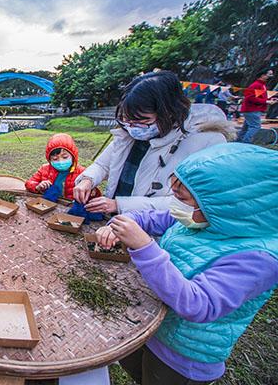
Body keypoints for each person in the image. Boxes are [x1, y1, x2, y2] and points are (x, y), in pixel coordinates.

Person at [95, 142, 278, 384]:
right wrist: (124, 222)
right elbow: (148, 217)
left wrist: (144, 247)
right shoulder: (197, 218)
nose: (176, 205)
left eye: (183, 199)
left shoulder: (260, 258)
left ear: (228, 206)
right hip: (149, 329)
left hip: (182, 355)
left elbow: (197, 304)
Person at [73, 70, 230, 215]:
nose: (132, 127)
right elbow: (102, 165)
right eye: (127, 120)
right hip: (117, 223)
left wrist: (119, 205)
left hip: (153, 235)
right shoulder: (128, 132)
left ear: (170, 113)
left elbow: (189, 203)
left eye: (143, 121)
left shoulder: (205, 142)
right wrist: (87, 180)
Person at [237, 68, 275, 143]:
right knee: (255, 126)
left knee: (246, 127)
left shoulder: (262, 85)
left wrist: (270, 99)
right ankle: (246, 142)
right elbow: (250, 98)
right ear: (262, 75)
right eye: (269, 74)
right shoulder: (256, 85)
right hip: (251, 110)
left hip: (253, 110)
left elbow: (260, 96)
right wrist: (266, 101)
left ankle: (238, 141)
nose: (271, 76)